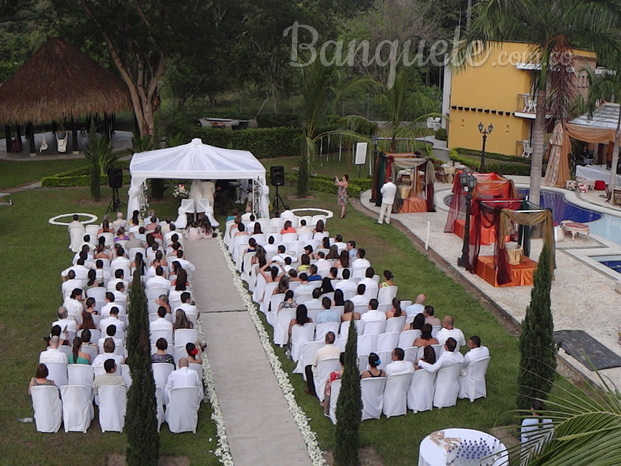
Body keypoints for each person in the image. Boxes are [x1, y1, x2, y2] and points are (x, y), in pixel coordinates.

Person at [305, 331, 341, 396]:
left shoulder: (319, 351)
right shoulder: (338, 350)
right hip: (333, 370)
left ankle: (311, 390)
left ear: (325, 340)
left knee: (308, 368)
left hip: (321, 372)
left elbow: (314, 363)